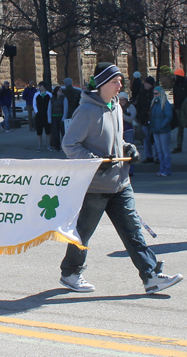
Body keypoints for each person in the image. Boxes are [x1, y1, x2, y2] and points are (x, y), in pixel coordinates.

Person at [59, 62, 183, 294]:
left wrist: (128, 149)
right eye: (115, 81)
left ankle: (151, 276)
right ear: (103, 84)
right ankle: (70, 273)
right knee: (83, 232)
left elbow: (116, 141)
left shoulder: (115, 107)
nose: (120, 86)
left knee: (133, 231)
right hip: (94, 186)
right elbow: (69, 144)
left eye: (120, 81)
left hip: (120, 182)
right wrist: (96, 162)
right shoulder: (86, 111)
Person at [150, 87, 173, 177]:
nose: (155, 95)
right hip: (156, 131)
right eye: (154, 94)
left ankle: (167, 169)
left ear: (161, 94)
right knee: (159, 151)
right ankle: (162, 168)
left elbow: (169, 116)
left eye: (156, 93)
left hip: (163, 131)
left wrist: (162, 125)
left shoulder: (165, 104)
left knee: (165, 151)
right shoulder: (154, 104)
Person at [135, 76, 156, 163]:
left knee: (154, 139)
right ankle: (149, 156)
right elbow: (138, 105)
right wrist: (139, 116)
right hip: (144, 120)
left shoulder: (154, 93)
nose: (146, 85)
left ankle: (157, 156)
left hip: (153, 120)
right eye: (145, 83)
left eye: (148, 83)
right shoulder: (142, 93)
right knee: (146, 139)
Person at [118, 92, 137, 177]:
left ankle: (131, 170)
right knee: (121, 152)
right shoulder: (116, 107)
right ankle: (122, 170)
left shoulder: (131, 107)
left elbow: (130, 119)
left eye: (123, 99)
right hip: (119, 132)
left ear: (126, 99)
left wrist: (121, 115)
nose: (122, 101)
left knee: (130, 151)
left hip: (128, 131)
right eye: (120, 99)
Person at [33, 81, 53, 152]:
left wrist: (48, 112)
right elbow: (34, 104)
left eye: (41, 86)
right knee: (39, 131)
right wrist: (37, 112)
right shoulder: (36, 95)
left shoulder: (49, 95)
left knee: (48, 131)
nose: (39, 87)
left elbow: (51, 104)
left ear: (44, 87)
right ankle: (39, 145)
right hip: (39, 116)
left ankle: (49, 145)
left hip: (46, 115)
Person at [171, 69, 187, 154]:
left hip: (186, 109)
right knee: (180, 129)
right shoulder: (175, 86)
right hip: (179, 109)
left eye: (176, 76)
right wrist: (176, 107)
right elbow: (175, 97)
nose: (174, 77)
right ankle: (179, 146)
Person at [48, 86, 68, 151]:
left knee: (63, 133)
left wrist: (64, 117)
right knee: (56, 133)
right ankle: (57, 147)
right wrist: (49, 118)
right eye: (59, 90)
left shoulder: (63, 98)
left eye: (61, 91)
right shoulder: (52, 99)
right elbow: (49, 109)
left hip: (61, 117)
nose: (60, 92)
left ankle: (63, 146)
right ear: (56, 91)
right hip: (54, 117)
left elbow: (65, 108)